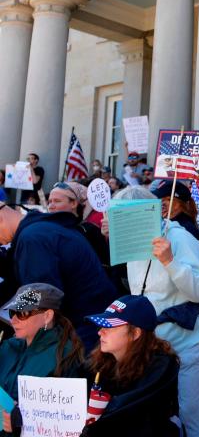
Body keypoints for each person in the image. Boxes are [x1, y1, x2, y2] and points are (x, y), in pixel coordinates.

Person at [101, 183, 199, 437]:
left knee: (192, 412)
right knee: (156, 410)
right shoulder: (132, 241)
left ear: (150, 214)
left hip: (193, 341)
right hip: (157, 342)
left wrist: (169, 261)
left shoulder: (180, 238)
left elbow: (198, 291)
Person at [0, 202, 116, 352]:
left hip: (81, 335)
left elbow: (41, 300)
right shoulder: (43, 229)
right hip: (92, 325)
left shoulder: (33, 239)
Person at [83, 295, 180, 436]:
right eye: (101, 325)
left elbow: (124, 409)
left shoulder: (161, 364)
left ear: (135, 333)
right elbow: (73, 384)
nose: (100, 332)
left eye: (109, 326)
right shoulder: (103, 361)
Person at [0, 284, 85, 436]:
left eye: (23, 313)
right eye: (12, 312)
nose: (13, 320)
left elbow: (65, 423)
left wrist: (19, 424)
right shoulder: (8, 347)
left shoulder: (65, 356)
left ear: (47, 316)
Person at [47, 181, 109, 267]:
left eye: (57, 201)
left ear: (73, 203)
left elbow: (105, 265)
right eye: (49, 201)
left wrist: (110, 238)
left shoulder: (89, 231)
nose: (51, 206)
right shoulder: (47, 229)